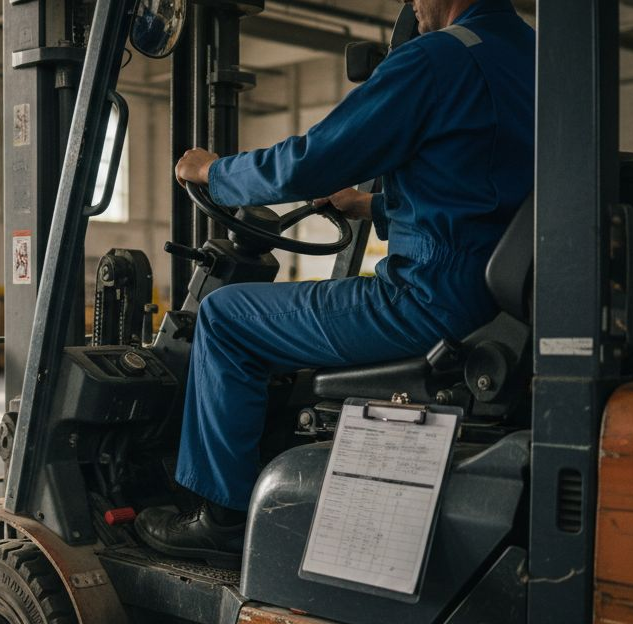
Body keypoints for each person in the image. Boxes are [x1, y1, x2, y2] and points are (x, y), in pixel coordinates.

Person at [135, 0, 535, 566]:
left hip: (424, 301)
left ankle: (221, 519)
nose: (414, 7)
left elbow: (310, 161)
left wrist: (213, 173)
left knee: (226, 318)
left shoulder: (436, 59)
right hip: (499, 302)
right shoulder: (535, 58)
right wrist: (370, 205)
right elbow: (481, 199)